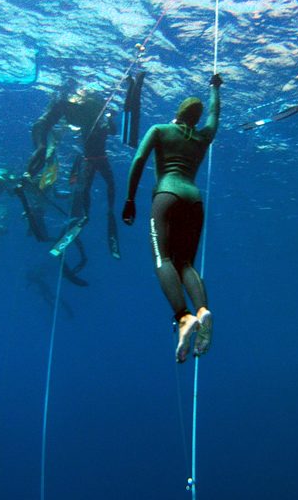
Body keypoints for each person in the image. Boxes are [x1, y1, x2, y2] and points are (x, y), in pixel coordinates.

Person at [122, 73, 222, 363]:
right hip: (194, 199)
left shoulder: (160, 129)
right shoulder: (203, 138)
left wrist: (130, 200)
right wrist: (215, 88)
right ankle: (202, 310)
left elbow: (138, 161)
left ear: (176, 115)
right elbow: (214, 115)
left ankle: (183, 317)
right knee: (186, 263)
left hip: (166, 196)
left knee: (162, 259)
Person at [28, 81, 122, 259]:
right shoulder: (87, 125)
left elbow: (114, 131)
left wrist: (110, 117)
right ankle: (85, 215)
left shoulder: (100, 126)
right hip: (92, 160)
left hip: (98, 159)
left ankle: (108, 211)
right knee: (87, 189)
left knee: (110, 185)